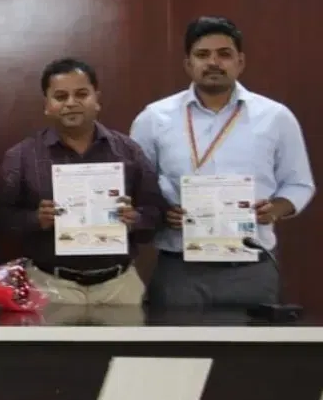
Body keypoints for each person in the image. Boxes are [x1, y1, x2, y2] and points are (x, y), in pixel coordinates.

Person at [132, 17, 313, 307]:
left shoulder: (276, 117)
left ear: (240, 62)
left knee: (256, 339)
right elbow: (139, 188)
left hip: (252, 266)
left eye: (224, 54)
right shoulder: (153, 119)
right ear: (188, 64)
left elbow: (299, 183)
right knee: (176, 338)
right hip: (180, 267)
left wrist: (276, 209)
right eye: (203, 55)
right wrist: (164, 212)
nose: (213, 62)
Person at [0, 58, 164, 306]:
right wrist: (36, 219)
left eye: (81, 94)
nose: (71, 103)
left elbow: (156, 212)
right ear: (47, 105)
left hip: (119, 286)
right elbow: (1, 219)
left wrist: (135, 219)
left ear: (96, 99)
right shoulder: (21, 156)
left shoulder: (128, 151)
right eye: (60, 96)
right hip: (49, 285)